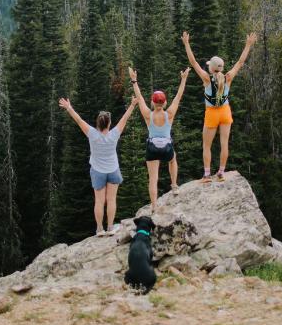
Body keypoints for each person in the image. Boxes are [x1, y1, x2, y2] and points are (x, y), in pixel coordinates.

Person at [182, 30, 257, 183]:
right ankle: (221, 173)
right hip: (225, 111)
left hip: (212, 113)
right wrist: (248, 45)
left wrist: (186, 44)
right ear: (221, 68)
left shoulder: (207, 79)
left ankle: (207, 175)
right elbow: (240, 62)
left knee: (207, 145)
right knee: (224, 143)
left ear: (211, 68)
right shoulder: (228, 77)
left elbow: (193, 62)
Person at [58, 96, 134, 236]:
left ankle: (99, 229)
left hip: (97, 171)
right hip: (113, 170)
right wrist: (133, 104)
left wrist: (69, 107)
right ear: (109, 124)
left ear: (97, 123)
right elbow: (125, 118)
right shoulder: (114, 134)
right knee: (111, 200)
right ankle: (111, 227)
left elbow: (78, 120)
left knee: (99, 201)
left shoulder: (92, 134)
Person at [128, 65, 189, 211]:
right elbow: (178, 96)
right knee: (173, 159)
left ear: (153, 102)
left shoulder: (148, 115)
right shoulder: (170, 114)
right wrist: (183, 79)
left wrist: (134, 81)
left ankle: (154, 205)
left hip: (152, 148)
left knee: (153, 178)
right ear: (165, 102)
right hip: (166, 148)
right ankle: (174, 185)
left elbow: (140, 98)